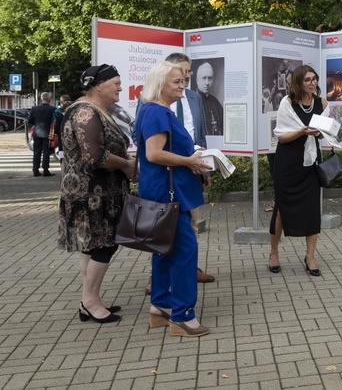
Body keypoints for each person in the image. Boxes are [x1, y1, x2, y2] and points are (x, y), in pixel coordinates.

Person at [135, 61, 213, 337]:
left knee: (163, 249)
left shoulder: (154, 110)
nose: (183, 85)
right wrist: (189, 161)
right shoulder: (157, 112)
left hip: (164, 191)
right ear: (160, 83)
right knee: (185, 251)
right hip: (170, 194)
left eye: (183, 80)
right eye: (176, 81)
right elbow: (154, 153)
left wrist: (192, 159)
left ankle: (160, 306)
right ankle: (182, 316)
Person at [57, 65, 136, 324]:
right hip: (91, 194)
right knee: (104, 244)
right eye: (115, 83)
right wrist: (127, 165)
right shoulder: (84, 112)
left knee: (93, 246)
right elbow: (94, 156)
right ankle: (90, 301)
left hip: (99, 192)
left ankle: (89, 300)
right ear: (98, 85)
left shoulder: (93, 110)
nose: (120, 88)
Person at [269, 65, 328, 277]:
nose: (312, 83)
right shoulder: (287, 103)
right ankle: (274, 253)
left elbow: (326, 134)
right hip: (288, 165)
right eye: (308, 80)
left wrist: (321, 134)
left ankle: (310, 257)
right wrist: (302, 131)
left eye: (314, 79)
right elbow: (281, 136)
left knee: (312, 212)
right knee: (281, 211)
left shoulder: (322, 103)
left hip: (310, 164)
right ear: (298, 82)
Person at [28, 92, 56, 177]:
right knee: (46, 152)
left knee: (36, 152)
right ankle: (45, 170)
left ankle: (35, 170)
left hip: (37, 133)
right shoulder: (53, 109)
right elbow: (54, 122)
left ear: (41, 99)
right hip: (48, 133)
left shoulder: (34, 109)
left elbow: (30, 121)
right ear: (49, 99)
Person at [196, 62, 224, 135]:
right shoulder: (192, 101)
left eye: (210, 78)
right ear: (197, 80)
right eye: (204, 78)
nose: (207, 83)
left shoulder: (215, 102)